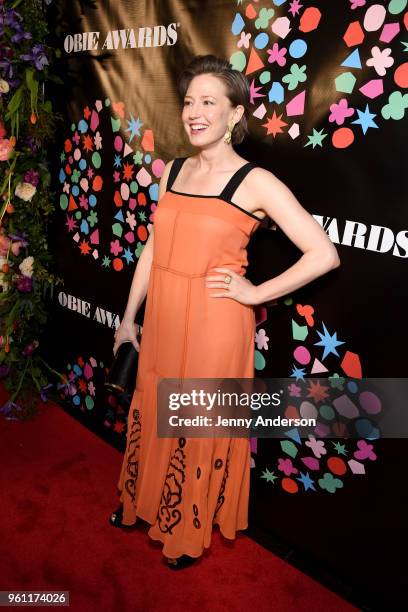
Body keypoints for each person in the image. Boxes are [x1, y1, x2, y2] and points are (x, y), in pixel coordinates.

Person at [109, 54, 340, 569]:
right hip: (164, 311)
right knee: (152, 404)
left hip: (215, 320)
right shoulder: (173, 168)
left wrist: (256, 293)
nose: (195, 112)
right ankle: (140, 503)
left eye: (209, 102)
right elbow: (153, 247)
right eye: (190, 101)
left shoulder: (255, 181)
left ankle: (185, 530)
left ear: (235, 114)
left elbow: (324, 253)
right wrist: (129, 317)